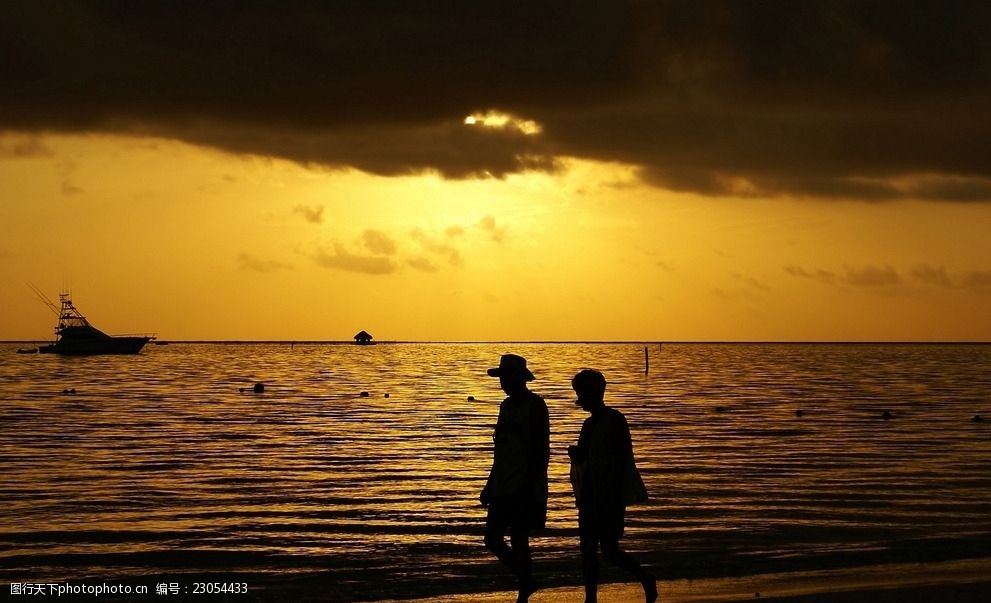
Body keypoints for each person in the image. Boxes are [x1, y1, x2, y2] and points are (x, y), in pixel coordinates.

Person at [569, 369, 656, 603]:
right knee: (587, 550)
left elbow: (620, 458)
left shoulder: (614, 420)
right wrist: (578, 455)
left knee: (608, 550)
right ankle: (590, 598)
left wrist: (613, 495)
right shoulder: (589, 424)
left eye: (582, 393)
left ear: (596, 392)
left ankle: (645, 577)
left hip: (608, 495)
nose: (580, 398)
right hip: (589, 494)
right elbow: (587, 456)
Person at [480, 354, 550, 602]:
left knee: (519, 538)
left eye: (507, 377)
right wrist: (489, 484)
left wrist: (533, 483)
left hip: (524, 483)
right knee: (493, 539)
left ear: (520, 378)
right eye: (502, 378)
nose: (503, 383)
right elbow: (500, 451)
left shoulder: (535, 405)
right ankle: (527, 580)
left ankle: (524, 589)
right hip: (502, 482)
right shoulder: (505, 406)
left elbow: (541, 449)